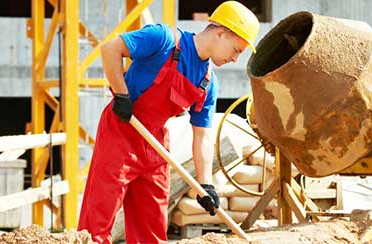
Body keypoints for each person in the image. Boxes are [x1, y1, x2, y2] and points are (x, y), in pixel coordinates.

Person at [77, 1, 260, 243]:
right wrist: (121, 94)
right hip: (122, 129)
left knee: (151, 228)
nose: (235, 59)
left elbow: (202, 137)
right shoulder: (162, 38)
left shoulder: (208, 83)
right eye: (236, 50)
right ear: (220, 33)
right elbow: (110, 49)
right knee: (97, 220)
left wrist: (206, 185)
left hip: (154, 144)